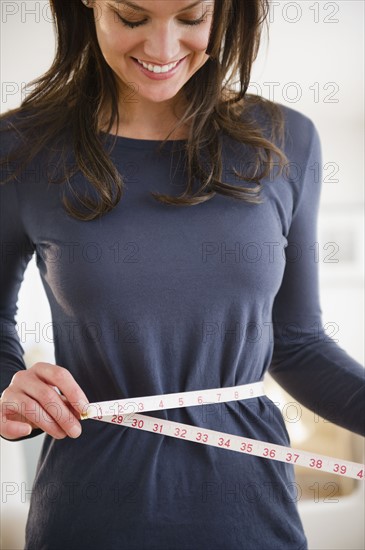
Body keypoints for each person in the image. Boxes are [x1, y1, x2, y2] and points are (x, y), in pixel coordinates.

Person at [0, 1, 364, 549]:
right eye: (132, 17)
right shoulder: (19, 149)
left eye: (192, 18)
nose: (163, 49)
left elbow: (296, 343)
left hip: (252, 516)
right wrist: (8, 388)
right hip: (89, 515)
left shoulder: (288, 140)